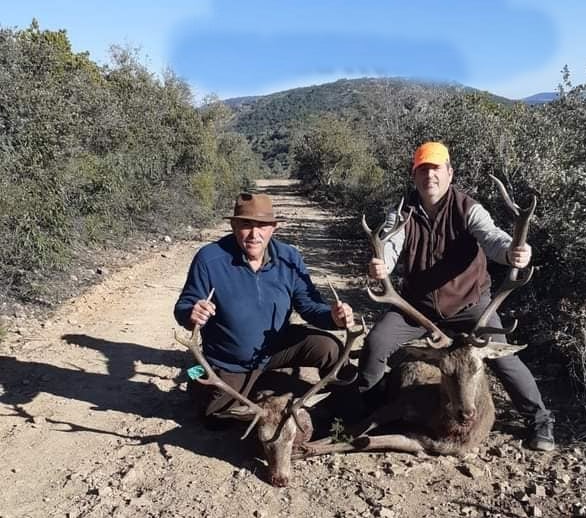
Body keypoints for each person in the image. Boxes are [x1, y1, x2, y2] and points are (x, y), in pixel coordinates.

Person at [355, 141, 555, 452]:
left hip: (469, 306)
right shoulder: (401, 214)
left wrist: (513, 251)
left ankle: (540, 421)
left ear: (449, 173)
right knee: (376, 343)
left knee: (503, 358)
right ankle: (365, 411)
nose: (429, 176)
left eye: (435, 169)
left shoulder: (468, 208)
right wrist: (381, 266)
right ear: (414, 176)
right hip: (418, 309)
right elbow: (390, 246)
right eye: (423, 170)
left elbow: (492, 237)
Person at [174, 192, 353, 421]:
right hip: (230, 360)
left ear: (273, 228)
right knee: (216, 417)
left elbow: (309, 305)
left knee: (330, 348)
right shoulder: (210, 259)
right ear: (233, 225)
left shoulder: (289, 257)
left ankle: (349, 414)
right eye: (246, 225)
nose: (254, 234)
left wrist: (332, 317)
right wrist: (192, 312)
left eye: (262, 226)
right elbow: (184, 307)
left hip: (276, 347)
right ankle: (203, 379)